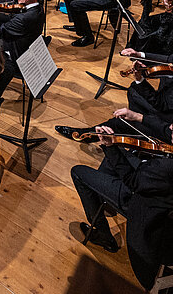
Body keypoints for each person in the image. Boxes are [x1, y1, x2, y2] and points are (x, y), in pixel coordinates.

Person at [70, 124, 173, 290]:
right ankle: (104, 198)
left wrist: (109, 146)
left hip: (140, 206)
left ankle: (104, 236)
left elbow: (132, 180)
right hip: (161, 196)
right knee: (123, 152)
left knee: (78, 172)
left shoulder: (165, 169)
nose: (171, 127)